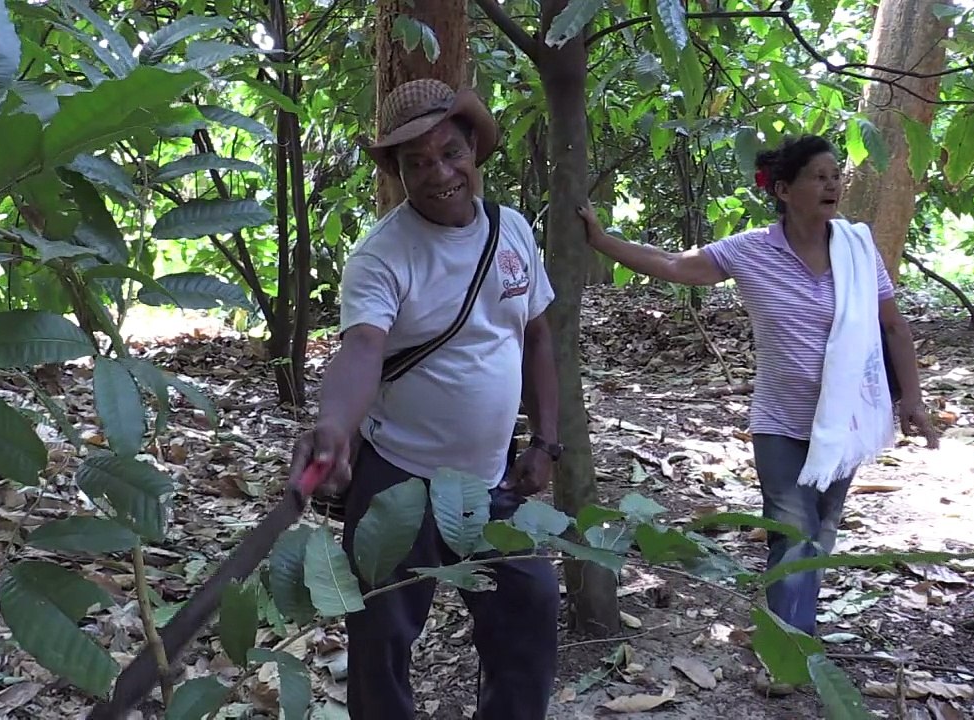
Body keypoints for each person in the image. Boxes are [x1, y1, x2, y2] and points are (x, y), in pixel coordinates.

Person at [578, 133, 940, 676]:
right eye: (819, 176)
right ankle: (790, 653)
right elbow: (677, 266)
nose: (833, 184)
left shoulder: (858, 249)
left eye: (836, 175)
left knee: (820, 530)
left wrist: (911, 398)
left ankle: (797, 634)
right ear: (785, 190)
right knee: (790, 531)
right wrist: (603, 243)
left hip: (844, 422)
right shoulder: (751, 250)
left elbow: (893, 324)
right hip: (779, 421)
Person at [286, 78, 562, 719]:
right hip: (396, 479)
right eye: (417, 163)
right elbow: (361, 349)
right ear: (398, 173)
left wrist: (547, 441)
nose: (439, 173)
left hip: (493, 480)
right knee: (380, 640)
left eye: (450, 154)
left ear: (475, 152)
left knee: (529, 608)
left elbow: (538, 336)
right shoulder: (382, 255)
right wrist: (332, 428)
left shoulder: (512, 231)